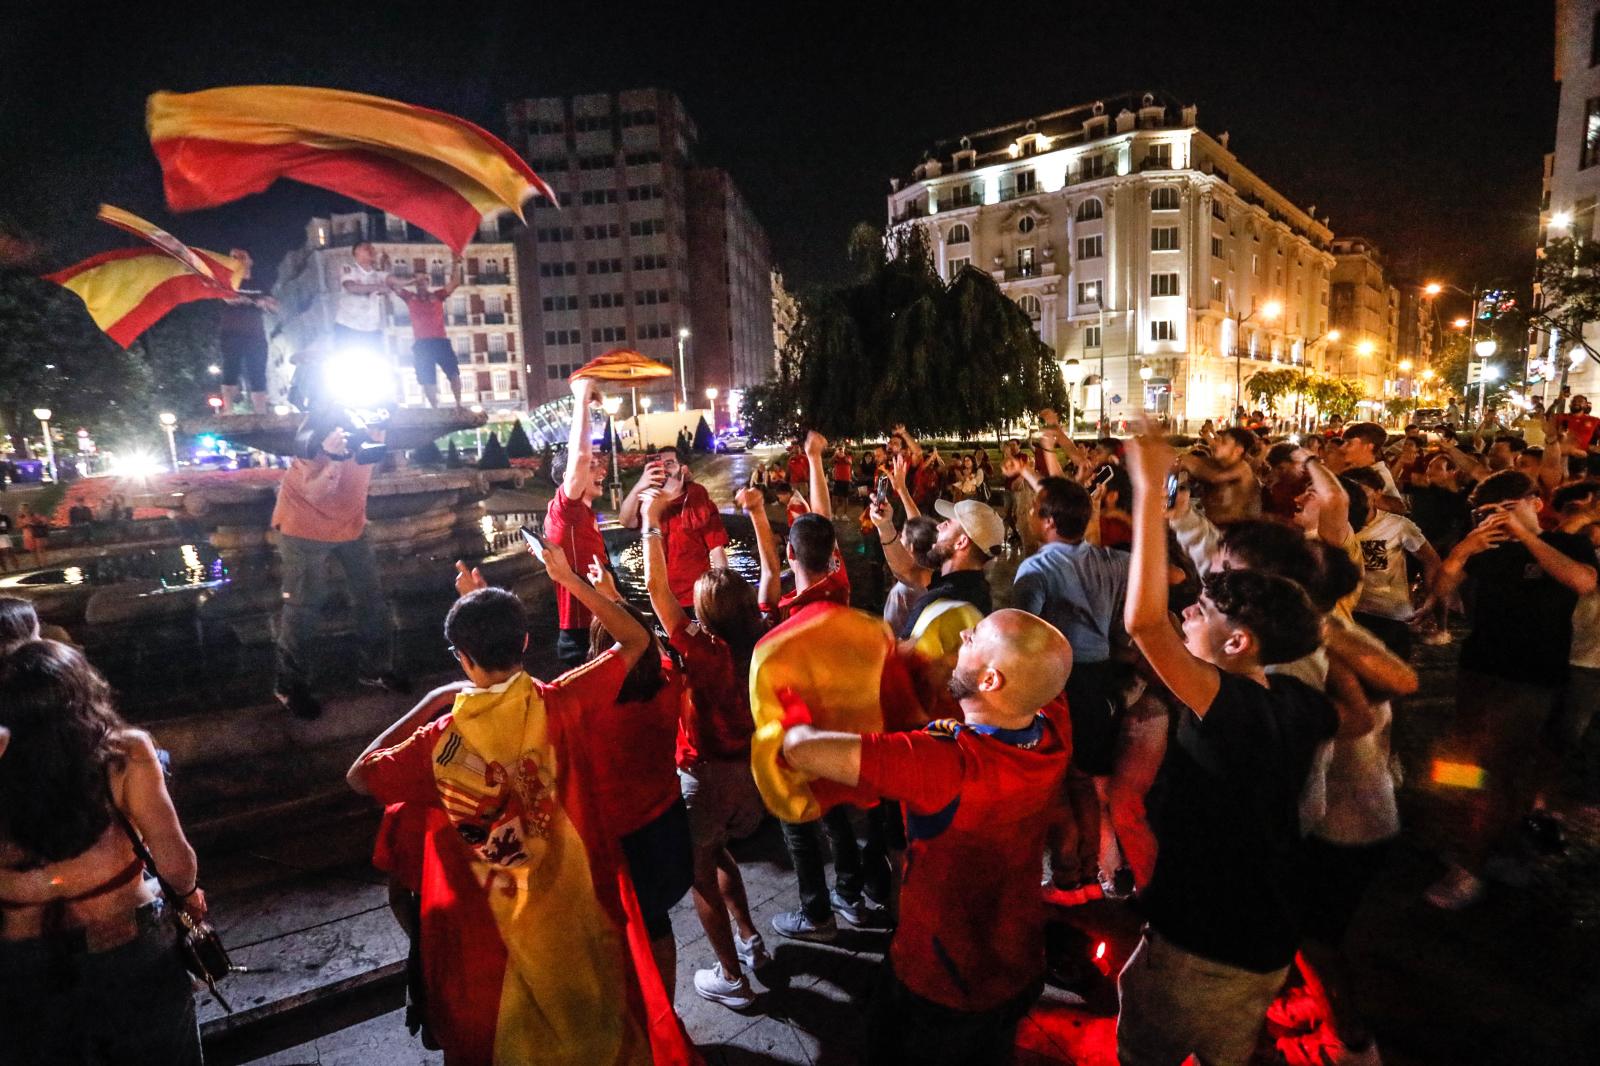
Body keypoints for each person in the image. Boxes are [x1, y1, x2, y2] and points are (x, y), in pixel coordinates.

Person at [348, 549, 692, 1066]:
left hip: (498, 932)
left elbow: (360, 773)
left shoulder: (439, 743)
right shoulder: (561, 702)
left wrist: (438, 697)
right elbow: (637, 639)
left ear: (460, 658)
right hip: (575, 909)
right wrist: (567, 579)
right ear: (527, 642)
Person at [1117, 426, 1341, 1066]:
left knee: (1148, 1049)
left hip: (1205, 944)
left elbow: (1144, 622)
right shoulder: (1297, 702)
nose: (1189, 612)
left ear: (1239, 643)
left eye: (1204, 612)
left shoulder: (1234, 710)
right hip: (1262, 935)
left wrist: (1145, 494)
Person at [781, 609, 1073, 1065]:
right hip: (1016, 957)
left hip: (940, 978)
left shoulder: (943, 764)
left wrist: (793, 706)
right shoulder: (1054, 723)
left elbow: (803, 749)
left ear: (993, 681)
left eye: (972, 638)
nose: (961, 633)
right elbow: (1034, 674)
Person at [0, 641, 208, 1065]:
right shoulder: (124, 752)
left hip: (21, 950)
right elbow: (175, 862)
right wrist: (188, 899)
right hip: (126, 936)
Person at [1423, 470, 1598, 909]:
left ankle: (1472, 862)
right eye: (1487, 512)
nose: (1496, 519)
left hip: (1531, 677)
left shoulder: (1566, 544)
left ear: (1534, 503)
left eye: (1505, 508)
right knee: (1465, 763)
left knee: (1501, 767)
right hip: (1479, 668)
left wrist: (1527, 537)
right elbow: (1441, 592)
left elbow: (1582, 581)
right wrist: (1463, 551)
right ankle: (1483, 846)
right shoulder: (1487, 551)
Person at [645, 489, 770, 1009]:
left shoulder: (702, 652)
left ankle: (731, 977)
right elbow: (771, 578)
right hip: (752, 774)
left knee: (700, 872)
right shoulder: (762, 636)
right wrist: (761, 520)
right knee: (720, 852)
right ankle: (750, 939)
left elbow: (655, 589)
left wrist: (652, 521)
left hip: (705, 774)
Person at [1013, 477, 1130, 896]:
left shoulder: (1036, 569)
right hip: (1101, 681)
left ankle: (1064, 878)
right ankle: (1092, 873)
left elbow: (1019, 634)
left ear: (1047, 520)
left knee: (1058, 785)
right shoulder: (1112, 562)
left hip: (1060, 683)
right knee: (1086, 781)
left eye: (1034, 509)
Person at [271, 411, 407, 719]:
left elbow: (366, 470)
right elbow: (314, 492)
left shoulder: (372, 421)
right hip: (303, 524)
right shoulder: (316, 426)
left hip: (351, 525)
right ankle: (290, 686)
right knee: (304, 606)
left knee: (371, 598)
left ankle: (375, 669)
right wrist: (333, 458)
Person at [545, 376, 611, 669]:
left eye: (600, 466)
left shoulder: (582, 514)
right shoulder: (565, 510)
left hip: (599, 621)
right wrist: (581, 396)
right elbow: (581, 456)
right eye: (592, 468)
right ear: (568, 478)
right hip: (581, 633)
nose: (601, 472)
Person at [1343, 465, 1441, 660]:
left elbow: (1431, 560)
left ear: (1377, 494)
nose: (1355, 498)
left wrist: (1429, 602)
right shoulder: (1336, 526)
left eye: (1361, 491)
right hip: (1349, 614)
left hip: (1388, 615)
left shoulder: (1398, 525)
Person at [620, 444, 728, 608]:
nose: (664, 469)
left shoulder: (698, 502)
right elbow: (626, 521)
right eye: (660, 465)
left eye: (669, 463)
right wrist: (639, 486)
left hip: (695, 599)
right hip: (662, 599)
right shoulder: (651, 502)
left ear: (683, 469)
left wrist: (722, 594)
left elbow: (717, 550)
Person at [394, 260, 463, 409]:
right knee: (427, 378)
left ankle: (459, 404)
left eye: (423, 280)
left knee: (453, 372)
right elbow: (394, 286)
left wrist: (456, 263)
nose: (420, 283)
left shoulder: (438, 296)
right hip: (422, 344)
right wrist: (413, 279)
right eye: (418, 281)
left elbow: (455, 282)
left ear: (428, 282)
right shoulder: (409, 297)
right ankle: (434, 408)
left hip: (440, 341)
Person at [218, 248, 279, 416]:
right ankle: (228, 410)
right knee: (230, 369)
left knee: (257, 371)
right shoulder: (228, 282)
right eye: (233, 258)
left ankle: (261, 411)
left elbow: (274, 305)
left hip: (255, 334)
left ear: (250, 261)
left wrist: (262, 302)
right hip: (231, 333)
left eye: (242, 257)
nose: (238, 260)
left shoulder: (259, 284)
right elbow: (228, 298)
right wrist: (256, 301)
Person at [1177, 426, 1261, 525]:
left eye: (1223, 442)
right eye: (1217, 440)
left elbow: (1214, 477)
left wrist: (1191, 464)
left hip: (1237, 530)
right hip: (1212, 527)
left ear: (1238, 450)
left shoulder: (1242, 468)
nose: (1215, 444)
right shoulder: (1214, 463)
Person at [332, 241, 393, 354]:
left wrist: (414, 279)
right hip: (348, 328)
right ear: (357, 252)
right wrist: (377, 287)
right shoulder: (349, 269)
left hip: (372, 330)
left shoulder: (378, 274)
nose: (372, 250)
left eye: (372, 248)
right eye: (367, 248)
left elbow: (394, 282)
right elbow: (351, 287)